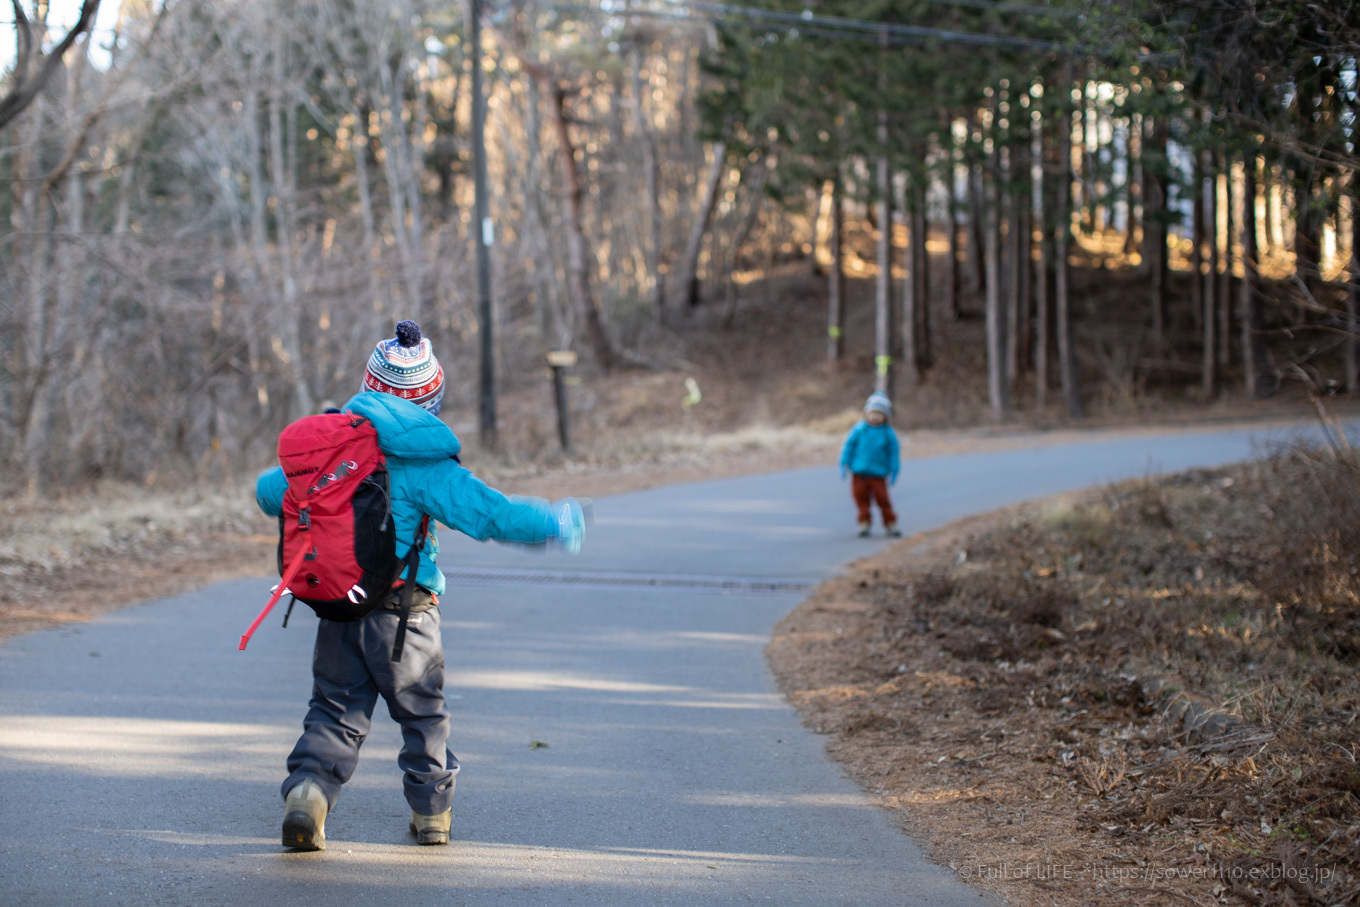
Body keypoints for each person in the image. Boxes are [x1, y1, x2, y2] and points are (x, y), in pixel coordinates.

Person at [254, 320, 585, 851]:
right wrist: (552, 522)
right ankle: (432, 816)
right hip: (407, 614)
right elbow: (490, 515)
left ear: (369, 387)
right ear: (430, 398)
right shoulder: (427, 467)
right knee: (423, 712)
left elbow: (270, 492)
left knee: (335, 710)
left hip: (340, 606)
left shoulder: (335, 452)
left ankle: (309, 795)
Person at [839, 391, 902, 538]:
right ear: (866, 413)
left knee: (883, 500)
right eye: (872, 413)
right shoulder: (859, 429)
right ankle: (864, 523)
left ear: (885, 416)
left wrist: (895, 470)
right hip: (859, 474)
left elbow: (894, 453)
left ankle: (891, 523)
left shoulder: (888, 433)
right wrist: (843, 463)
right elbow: (848, 446)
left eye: (879, 414)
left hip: (878, 475)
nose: (875, 417)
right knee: (861, 500)